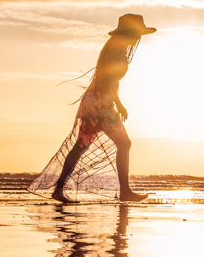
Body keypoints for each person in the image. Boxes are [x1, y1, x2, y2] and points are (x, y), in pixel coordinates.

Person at [46, 14, 155, 203]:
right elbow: (105, 79)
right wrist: (118, 103)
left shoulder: (118, 47)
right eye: (137, 33)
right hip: (100, 101)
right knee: (124, 143)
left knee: (81, 146)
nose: (139, 37)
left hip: (97, 100)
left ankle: (59, 189)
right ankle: (125, 192)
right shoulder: (114, 48)